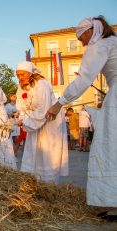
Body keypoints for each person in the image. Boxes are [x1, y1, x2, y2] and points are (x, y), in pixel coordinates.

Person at [46, 16, 117, 217]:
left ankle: (113, 200)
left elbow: (85, 78)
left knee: (110, 147)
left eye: (81, 38)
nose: (82, 43)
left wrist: (59, 103)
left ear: (89, 32)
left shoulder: (99, 44)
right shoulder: (113, 41)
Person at [16, 61, 68, 184]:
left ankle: (48, 183)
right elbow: (21, 105)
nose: (20, 78)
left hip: (49, 119)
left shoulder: (42, 84)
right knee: (34, 149)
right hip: (34, 120)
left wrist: (26, 120)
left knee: (47, 150)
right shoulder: (21, 86)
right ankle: (34, 181)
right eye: (17, 75)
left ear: (30, 73)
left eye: (22, 74)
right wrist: (22, 117)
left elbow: (43, 109)